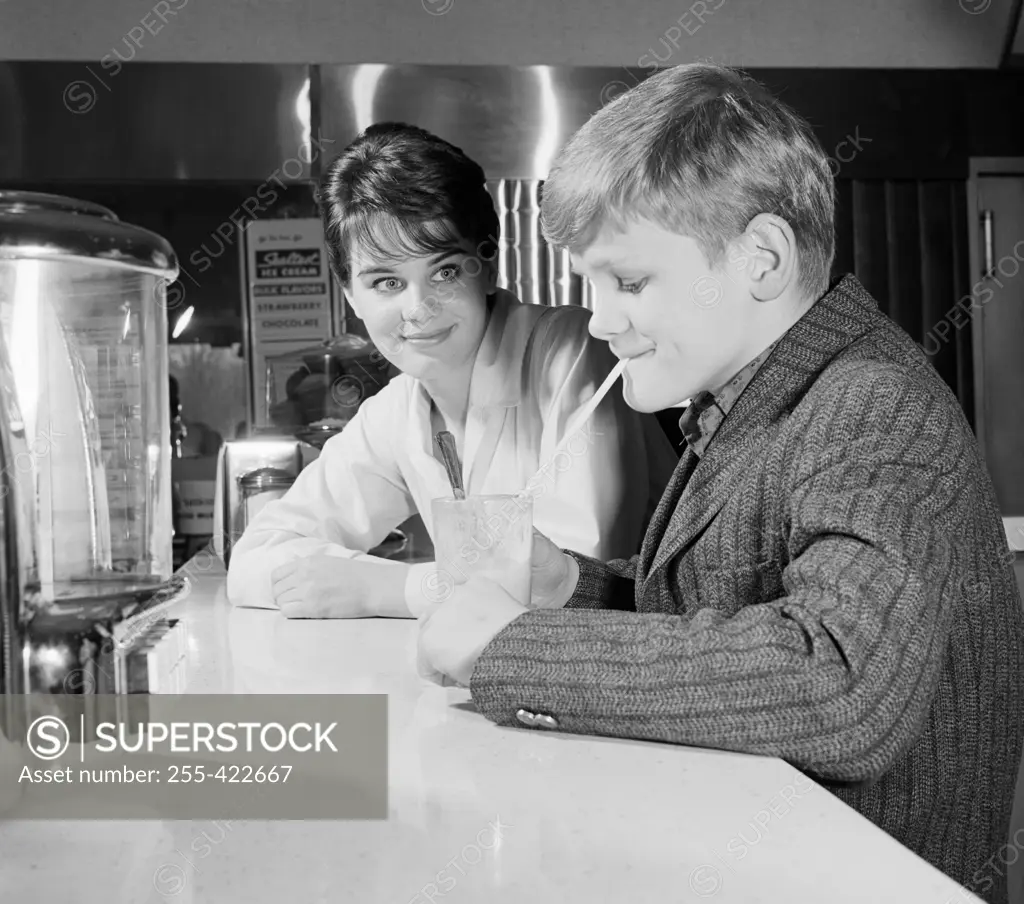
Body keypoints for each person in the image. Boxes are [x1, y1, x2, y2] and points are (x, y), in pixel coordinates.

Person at [416, 65, 1024, 903]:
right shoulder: (751, 396)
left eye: (628, 282)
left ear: (761, 258)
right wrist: (575, 588)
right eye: (591, 285)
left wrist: (512, 648)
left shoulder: (872, 407)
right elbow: (729, 609)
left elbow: (839, 681)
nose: (599, 318)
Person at [227, 122, 678, 619]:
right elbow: (253, 560)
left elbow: (574, 584)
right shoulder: (398, 413)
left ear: (487, 266)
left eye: (443, 271)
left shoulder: (570, 353)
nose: (418, 308)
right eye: (385, 282)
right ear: (349, 293)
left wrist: (388, 588)